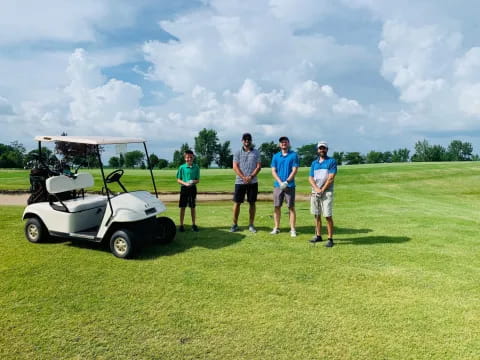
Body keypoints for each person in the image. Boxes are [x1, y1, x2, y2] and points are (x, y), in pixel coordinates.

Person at [230, 133, 262, 233]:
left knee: (252, 203)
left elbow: (258, 166)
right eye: (245, 139)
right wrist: (243, 177)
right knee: (237, 203)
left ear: (251, 140)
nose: (247, 141)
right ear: (242, 141)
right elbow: (235, 166)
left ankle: (251, 225)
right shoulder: (237, 152)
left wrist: (251, 176)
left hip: (253, 182)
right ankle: (234, 224)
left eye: (248, 139)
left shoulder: (256, 152)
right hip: (240, 182)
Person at [308, 141, 337, 247]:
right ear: (317, 150)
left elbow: (331, 178)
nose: (322, 150)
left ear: (327, 149)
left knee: (327, 215)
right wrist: (316, 188)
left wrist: (322, 189)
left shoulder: (331, 161)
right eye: (320, 148)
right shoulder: (314, 163)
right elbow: (310, 177)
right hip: (315, 191)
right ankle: (318, 235)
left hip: (327, 192)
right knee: (316, 214)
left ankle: (330, 239)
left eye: (324, 148)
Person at [270, 136, 299, 237]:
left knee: (291, 207)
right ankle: (276, 227)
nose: (283, 144)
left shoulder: (294, 155)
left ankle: (292, 229)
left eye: (285, 142)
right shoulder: (276, 156)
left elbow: (294, 170)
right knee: (277, 206)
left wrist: (286, 181)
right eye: (282, 142)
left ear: (288, 143)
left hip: (289, 185)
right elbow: (273, 170)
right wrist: (280, 182)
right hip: (278, 186)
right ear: (279, 144)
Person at [176, 149, 200, 232]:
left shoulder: (196, 167)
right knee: (183, 207)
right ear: (184, 158)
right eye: (187, 157)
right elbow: (178, 179)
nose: (189, 159)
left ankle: (193, 225)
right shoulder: (181, 167)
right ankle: (181, 225)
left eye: (190, 157)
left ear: (193, 157)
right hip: (184, 188)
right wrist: (185, 183)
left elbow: (198, 180)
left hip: (192, 188)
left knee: (192, 207)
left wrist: (193, 181)